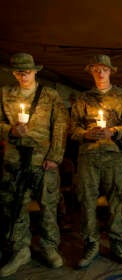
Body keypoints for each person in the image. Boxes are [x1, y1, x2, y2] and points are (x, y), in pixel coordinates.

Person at [0, 53, 69, 277]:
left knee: (48, 206)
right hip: (15, 161)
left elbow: (60, 125)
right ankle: (20, 250)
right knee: (15, 206)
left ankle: (49, 246)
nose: (23, 75)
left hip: (43, 160)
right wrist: (9, 130)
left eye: (27, 71)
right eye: (19, 71)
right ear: (13, 72)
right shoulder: (4, 94)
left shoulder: (50, 95)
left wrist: (55, 156)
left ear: (35, 71)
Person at [71, 54, 122, 268]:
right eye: (96, 69)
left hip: (113, 156)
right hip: (88, 156)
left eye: (104, 69)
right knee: (87, 200)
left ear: (110, 72)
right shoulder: (82, 98)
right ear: (91, 72)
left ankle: (116, 242)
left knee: (116, 200)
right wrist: (85, 134)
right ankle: (91, 243)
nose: (100, 73)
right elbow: (72, 129)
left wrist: (114, 131)